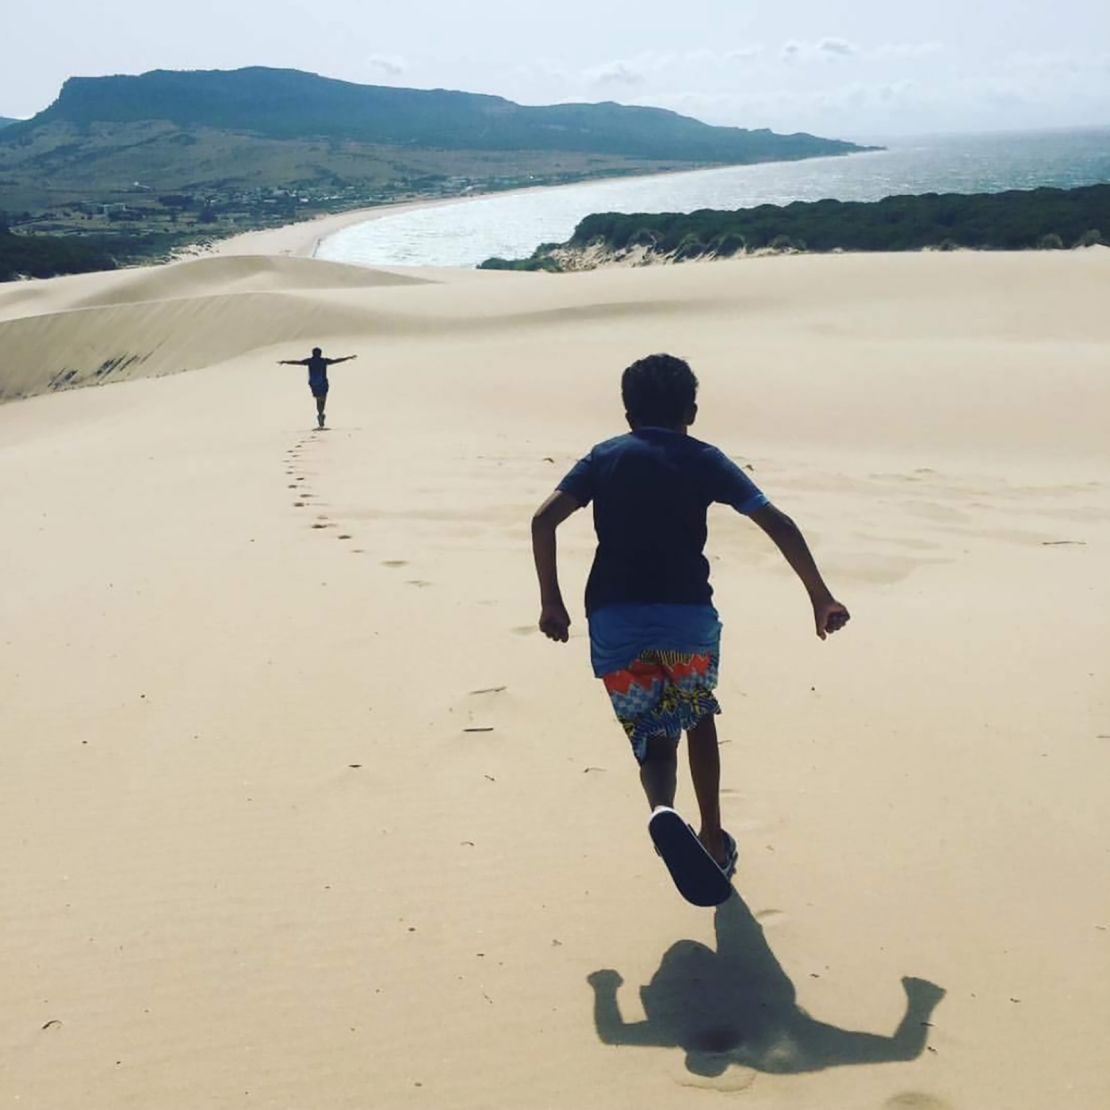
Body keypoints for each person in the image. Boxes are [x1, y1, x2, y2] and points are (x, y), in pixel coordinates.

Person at [531, 353, 849, 881]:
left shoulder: (604, 456)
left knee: (652, 732)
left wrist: (551, 602)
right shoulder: (704, 458)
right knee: (697, 715)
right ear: (692, 411)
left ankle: (661, 808)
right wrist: (819, 595)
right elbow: (776, 522)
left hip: (615, 618)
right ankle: (712, 837)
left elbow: (544, 521)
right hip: (686, 619)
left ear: (628, 414)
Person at [277, 347, 357, 428]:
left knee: (318, 399)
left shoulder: (310, 361)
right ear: (320, 353)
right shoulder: (323, 361)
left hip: (314, 384)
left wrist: (285, 362)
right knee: (322, 399)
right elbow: (336, 361)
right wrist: (348, 358)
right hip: (323, 383)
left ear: (313, 353)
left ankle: (320, 414)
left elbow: (297, 362)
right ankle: (321, 414)